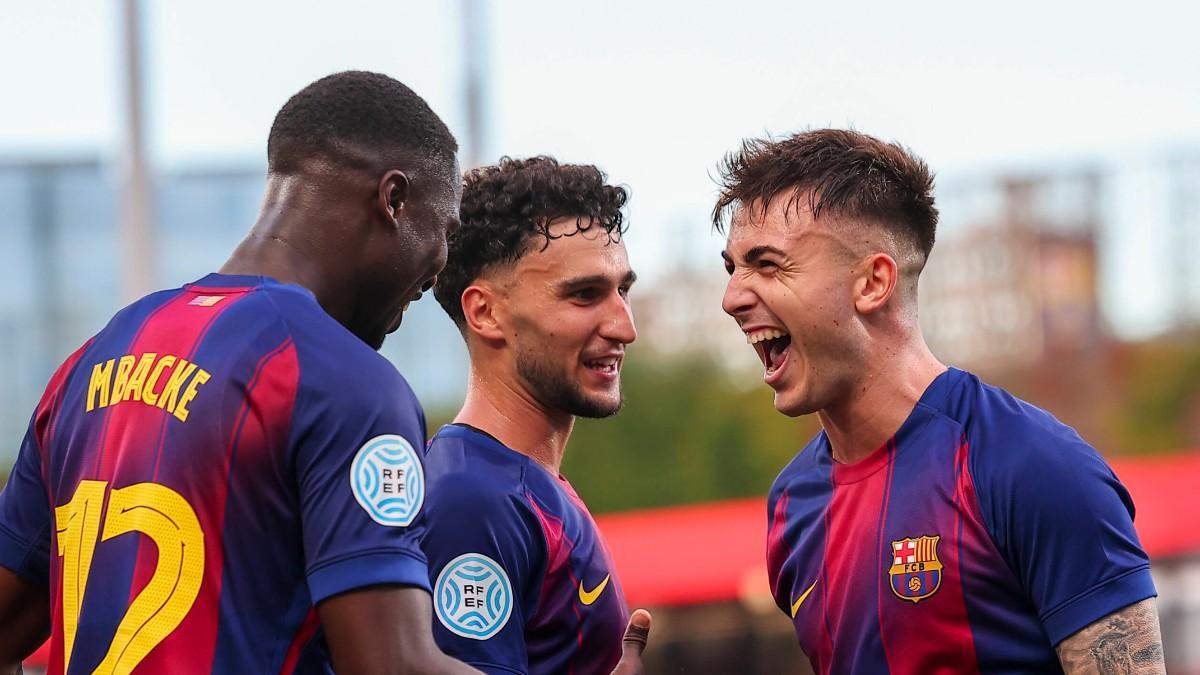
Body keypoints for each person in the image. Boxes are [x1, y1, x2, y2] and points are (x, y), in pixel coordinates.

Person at [0, 70, 486, 674]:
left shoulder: (92, 359)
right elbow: (391, 665)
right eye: (443, 232)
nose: (436, 270)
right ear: (393, 200)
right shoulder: (343, 381)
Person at [715, 129, 1165, 674]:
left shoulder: (1030, 466)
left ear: (874, 282)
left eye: (767, 265)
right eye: (732, 267)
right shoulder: (792, 503)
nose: (733, 297)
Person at [424, 156, 649, 674]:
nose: (624, 326)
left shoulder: (522, 484)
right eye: (585, 294)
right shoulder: (471, 501)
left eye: (624, 291)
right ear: (486, 312)